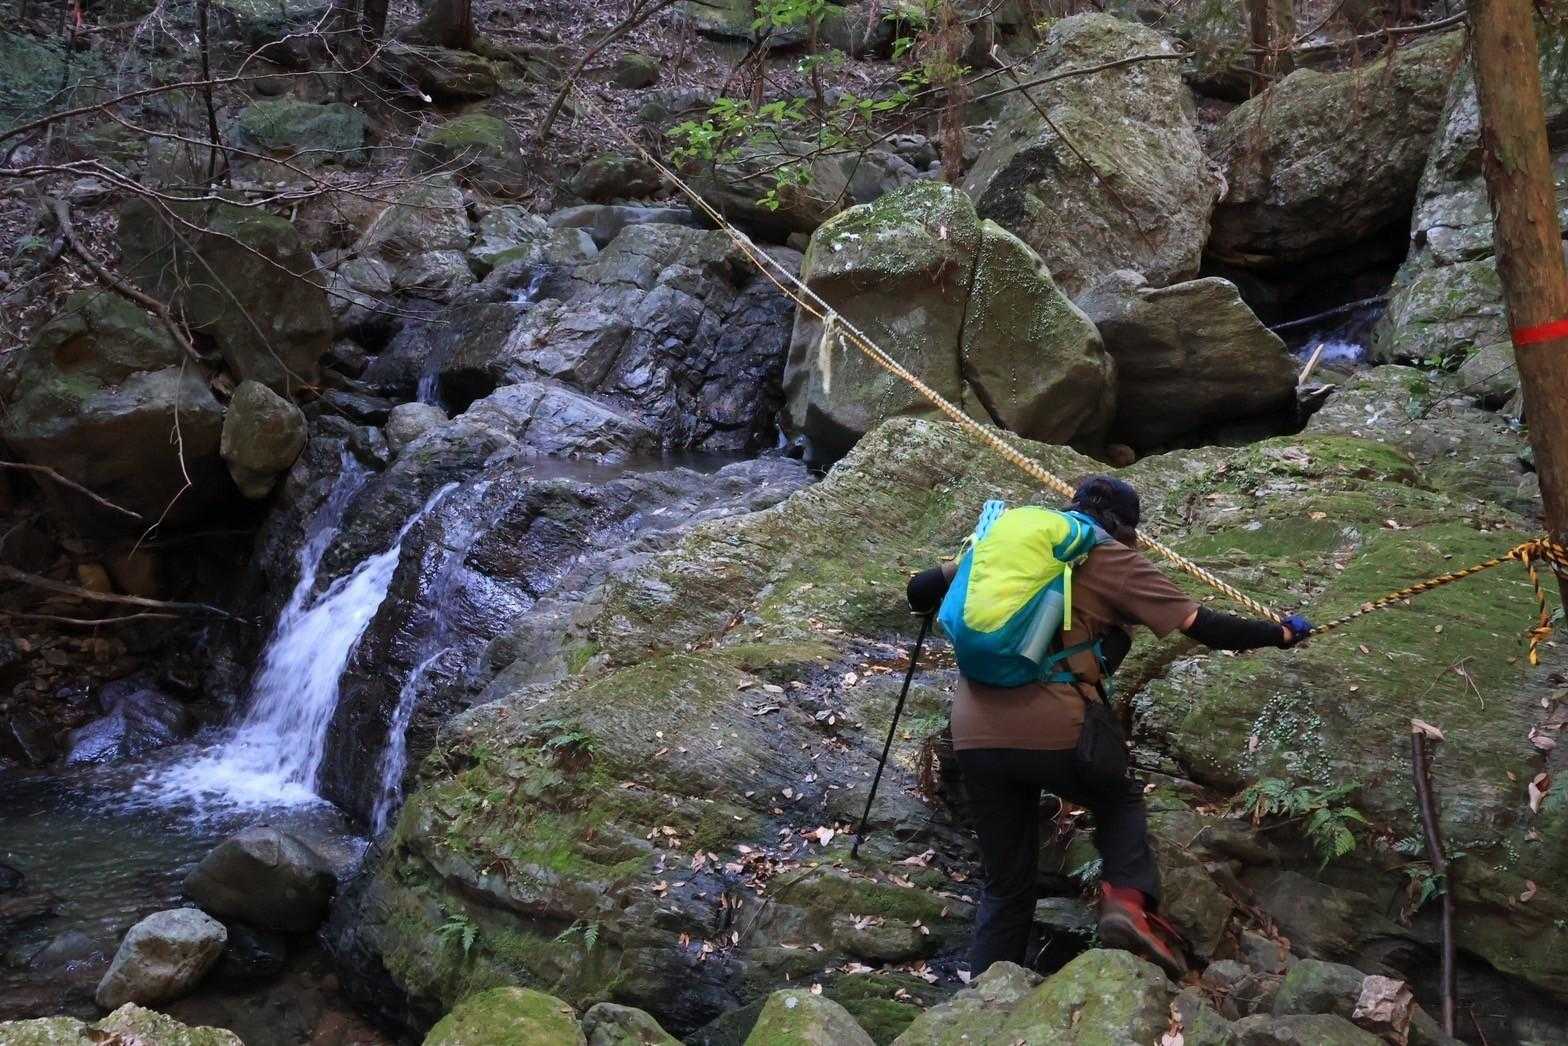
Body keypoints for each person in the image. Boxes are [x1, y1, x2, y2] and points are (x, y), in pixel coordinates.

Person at [906, 475, 1310, 979]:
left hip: (973, 733)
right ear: (1123, 527)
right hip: (1054, 725)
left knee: (1006, 882)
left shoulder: (1007, 546)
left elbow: (919, 589)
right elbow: (1202, 626)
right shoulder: (1109, 555)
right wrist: (1280, 634)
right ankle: (1125, 904)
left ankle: (987, 993)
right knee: (1118, 799)